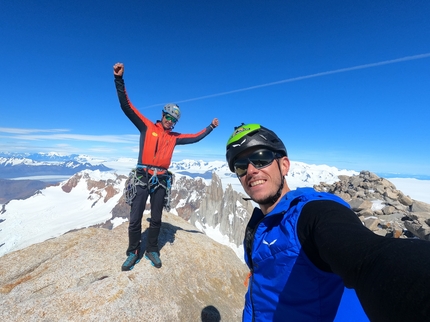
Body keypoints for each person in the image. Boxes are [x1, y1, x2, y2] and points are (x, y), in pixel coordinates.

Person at [225, 123, 430, 322]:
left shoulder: (312, 213)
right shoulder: (261, 225)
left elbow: (367, 255)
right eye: (241, 166)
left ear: (284, 165)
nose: (251, 170)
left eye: (261, 158)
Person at [114, 62, 219, 271]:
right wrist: (119, 80)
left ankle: (152, 249)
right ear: (162, 114)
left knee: (156, 218)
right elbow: (127, 107)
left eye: (174, 120)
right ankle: (133, 251)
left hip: (161, 179)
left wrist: (210, 127)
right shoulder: (146, 126)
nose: (170, 122)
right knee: (135, 218)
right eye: (168, 117)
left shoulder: (174, 137)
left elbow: (195, 137)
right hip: (143, 176)